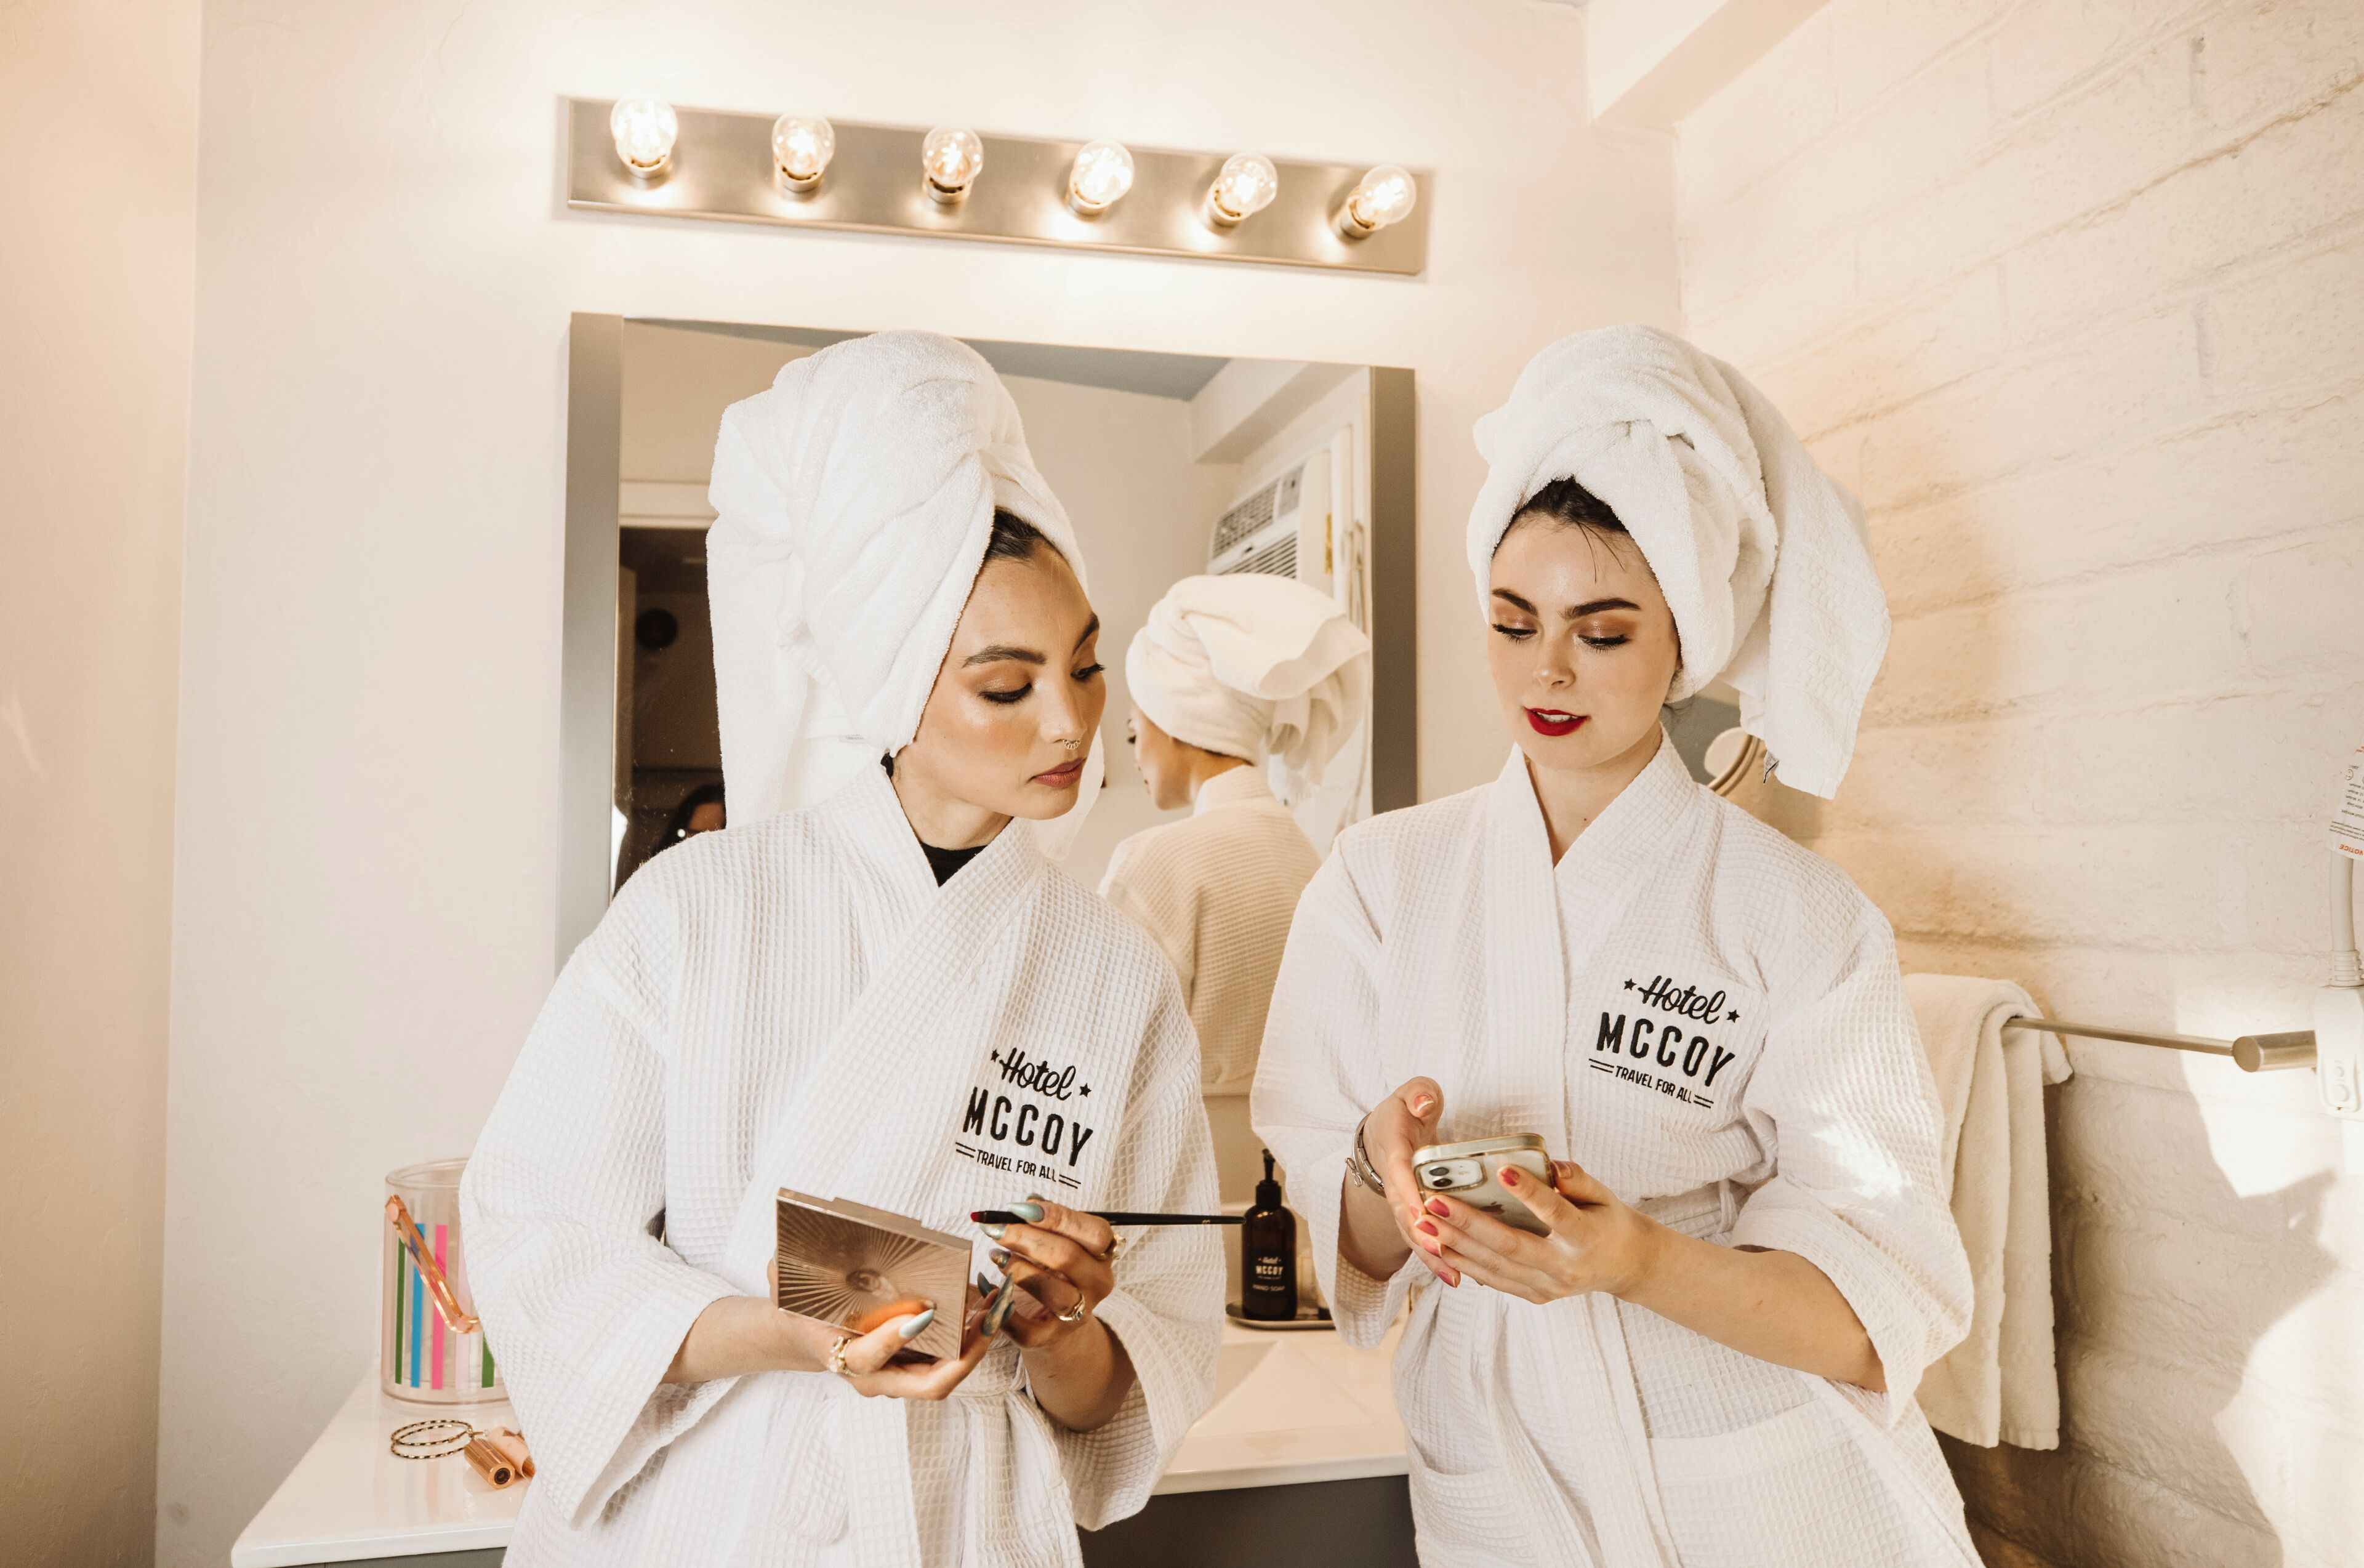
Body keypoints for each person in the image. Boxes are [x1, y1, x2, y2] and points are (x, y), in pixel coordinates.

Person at [462, 332, 1221, 1568]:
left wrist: (1064, 1322)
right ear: (891, 684)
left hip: (963, 1523)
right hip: (714, 1513)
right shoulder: (700, 907)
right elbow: (537, 1234)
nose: (1072, 719)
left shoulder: (1113, 969)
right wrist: (805, 1337)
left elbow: (1134, 1384)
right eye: (1005, 684)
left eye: (1084, 665)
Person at [1253, 324, 1979, 1567]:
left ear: (1682, 643)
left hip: (1764, 1498)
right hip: (1501, 1490)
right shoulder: (1380, 880)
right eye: (1512, 618)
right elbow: (1352, 1252)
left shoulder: (1796, 913)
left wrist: (1636, 1257)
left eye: (1603, 629)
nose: (1548, 667)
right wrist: (1386, 1176)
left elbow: (1877, 1310)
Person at [1100, 573, 1369, 1200]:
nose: (1135, 752)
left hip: (1171, 1209)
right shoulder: (1316, 862)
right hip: (1301, 1213)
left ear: (1173, 718)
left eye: (1137, 730)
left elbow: (1102, 1070)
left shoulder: (1152, 864)